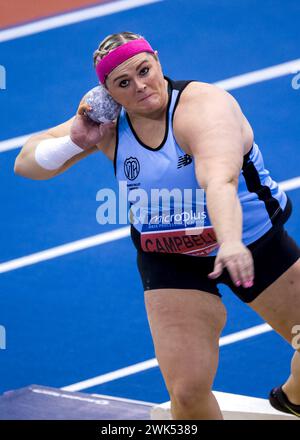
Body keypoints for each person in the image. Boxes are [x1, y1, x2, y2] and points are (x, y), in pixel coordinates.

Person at [14, 31, 300, 420]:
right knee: (186, 393)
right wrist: (75, 141)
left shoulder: (203, 107)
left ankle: (293, 397)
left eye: (144, 70)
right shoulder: (109, 121)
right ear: (108, 91)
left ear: (157, 60)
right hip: (171, 258)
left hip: (252, 244)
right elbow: (26, 164)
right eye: (124, 84)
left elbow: (220, 180)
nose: (141, 87)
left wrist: (231, 242)